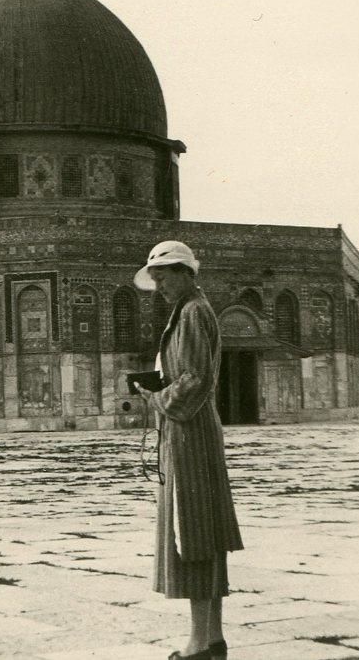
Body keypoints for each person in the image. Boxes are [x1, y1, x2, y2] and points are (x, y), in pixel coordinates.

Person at [133, 241, 243, 660]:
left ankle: (199, 644)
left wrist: (156, 399)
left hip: (189, 434)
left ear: (184, 273)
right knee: (202, 534)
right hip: (189, 432)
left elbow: (195, 379)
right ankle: (211, 638)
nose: (159, 288)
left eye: (162, 279)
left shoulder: (194, 312)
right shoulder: (187, 311)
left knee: (193, 534)